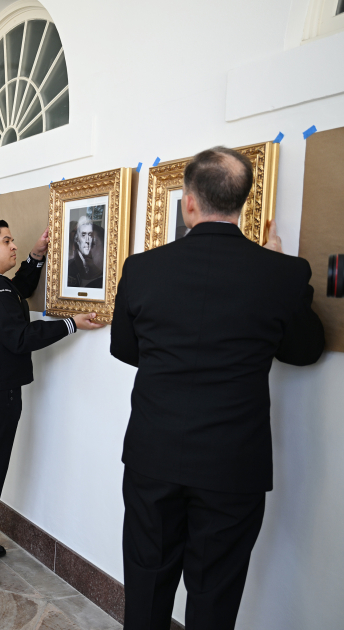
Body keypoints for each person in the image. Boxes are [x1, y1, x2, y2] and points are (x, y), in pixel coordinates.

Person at [111, 147, 325, 630]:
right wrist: (282, 271)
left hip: (154, 451)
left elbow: (125, 348)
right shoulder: (283, 273)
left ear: (189, 203)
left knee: (146, 585)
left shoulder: (142, 268)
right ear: (244, 204)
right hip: (233, 463)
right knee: (215, 594)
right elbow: (304, 349)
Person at [0, 220, 102, 587]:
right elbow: (18, 336)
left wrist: (34, 258)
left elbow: (16, 294)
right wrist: (71, 324)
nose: (13, 246)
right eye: (7, 241)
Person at [66, 215, 103, 288]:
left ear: (104, 248)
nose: (86, 250)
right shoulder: (67, 269)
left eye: (92, 244)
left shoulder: (109, 281)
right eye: (81, 243)